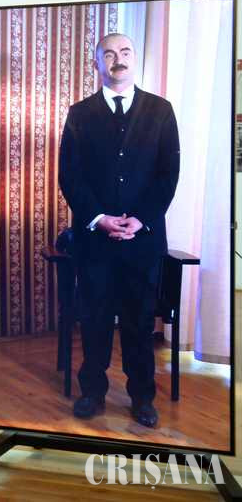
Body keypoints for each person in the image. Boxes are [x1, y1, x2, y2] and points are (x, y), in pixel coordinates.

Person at [59, 33, 180, 428]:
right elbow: (70, 176)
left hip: (142, 242)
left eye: (125, 52)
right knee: (94, 319)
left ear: (135, 58)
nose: (118, 60)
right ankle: (92, 393)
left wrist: (140, 219)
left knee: (139, 322)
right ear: (97, 63)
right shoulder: (79, 114)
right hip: (95, 242)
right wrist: (99, 218)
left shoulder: (161, 111)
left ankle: (142, 398)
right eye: (108, 54)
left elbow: (168, 175)